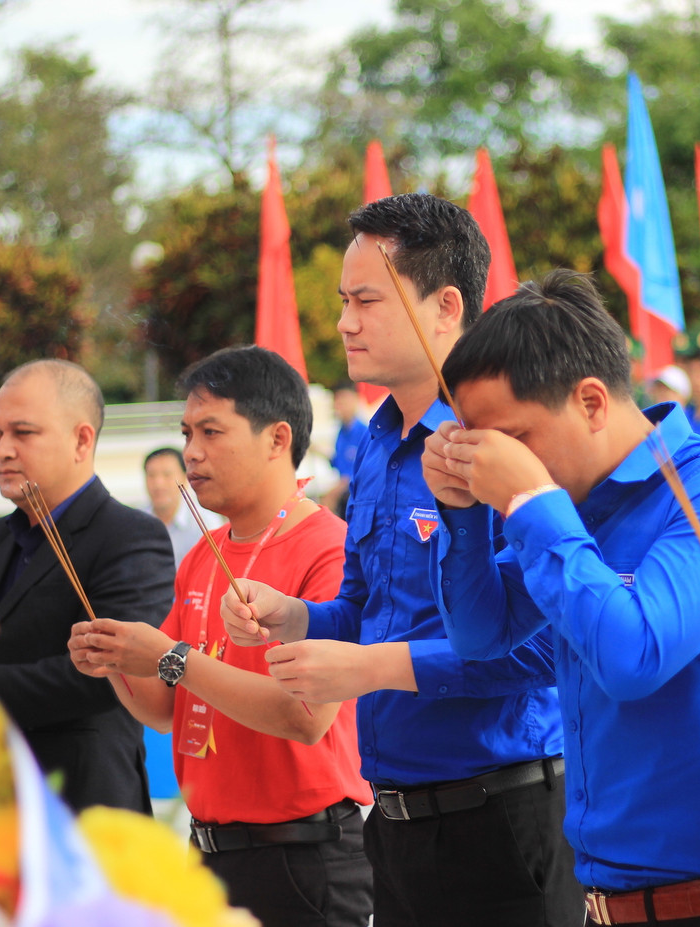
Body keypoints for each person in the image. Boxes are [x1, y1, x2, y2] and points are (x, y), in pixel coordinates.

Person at [220, 193, 580, 927]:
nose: (345, 322)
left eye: (367, 301)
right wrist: (295, 617)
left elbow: (543, 650)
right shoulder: (377, 443)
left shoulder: (504, 440)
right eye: (342, 301)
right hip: (391, 819)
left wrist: (371, 668)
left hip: (502, 814)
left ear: (446, 306)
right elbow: (365, 611)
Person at [423, 270, 700, 927]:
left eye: (513, 440)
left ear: (592, 402)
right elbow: (481, 634)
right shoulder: (573, 503)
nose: (500, 463)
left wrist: (530, 499)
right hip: (607, 903)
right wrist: (460, 510)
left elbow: (634, 656)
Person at [68, 347, 372, 927]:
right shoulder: (203, 558)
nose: (191, 452)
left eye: (211, 431)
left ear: (277, 439)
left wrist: (172, 658)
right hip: (208, 852)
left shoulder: (330, 548)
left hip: (302, 856)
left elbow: (305, 717)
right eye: (187, 433)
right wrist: (115, 658)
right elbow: (164, 710)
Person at [0, 359, 176, 812]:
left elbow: (102, 672)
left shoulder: (130, 536)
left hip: (85, 807)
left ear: (82, 440)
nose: (3, 450)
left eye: (23, 433)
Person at [142, 446, 221, 561]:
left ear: (185, 478)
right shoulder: (136, 523)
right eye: (151, 475)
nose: (158, 484)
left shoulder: (206, 524)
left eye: (167, 475)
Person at [322, 381, 369, 518]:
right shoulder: (341, 432)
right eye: (337, 401)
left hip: (358, 492)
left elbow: (363, 470)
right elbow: (339, 464)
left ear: (355, 400)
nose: (340, 406)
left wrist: (337, 489)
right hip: (342, 487)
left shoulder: (364, 432)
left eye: (344, 401)